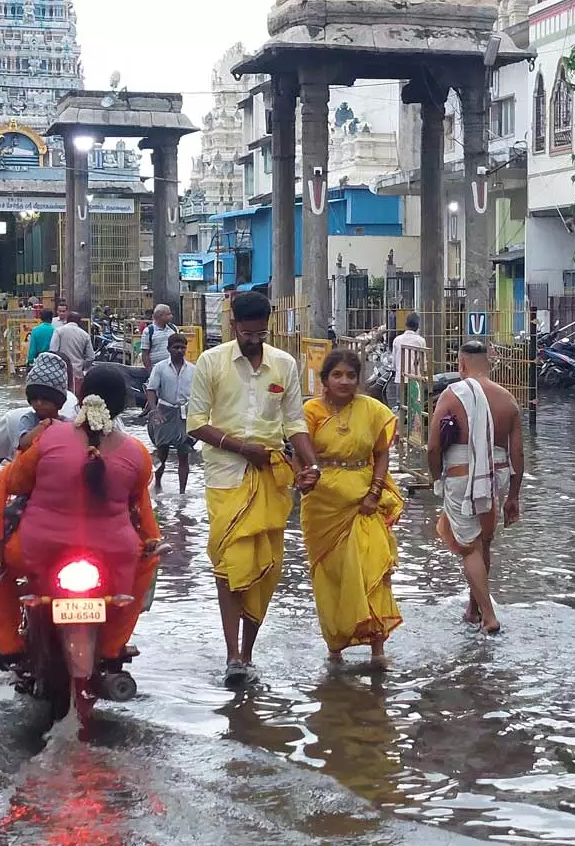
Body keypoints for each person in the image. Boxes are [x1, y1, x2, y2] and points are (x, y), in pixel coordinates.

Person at [0, 364, 162, 668]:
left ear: (80, 397)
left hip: (38, 551)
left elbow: (16, 482)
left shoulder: (49, 437)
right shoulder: (136, 452)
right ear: (122, 406)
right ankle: (114, 646)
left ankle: (6, 645)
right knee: (149, 557)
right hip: (114, 557)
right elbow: (138, 505)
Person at [188, 291, 320, 687]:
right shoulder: (211, 362)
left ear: (269, 326)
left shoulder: (284, 364)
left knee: (266, 568)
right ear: (233, 327)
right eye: (247, 334)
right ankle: (232, 656)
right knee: (229, 566)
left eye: (260, 333)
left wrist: (312, 464)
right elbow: (195, 423)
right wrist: (241, 447)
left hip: (271, 479)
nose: (253, 340)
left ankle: (248, 653)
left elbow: (295, 423)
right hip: (225, 476)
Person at [301, 349, 403, 666]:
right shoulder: (310, 411)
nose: (344, 381)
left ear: (359, 380)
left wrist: (374, 493)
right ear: (325, 380)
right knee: (330, 576)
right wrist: (299, 477)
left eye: (351, 375)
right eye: (337, 375)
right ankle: (335, 646)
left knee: (370, 567)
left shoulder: (371, 409)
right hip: (322, 505)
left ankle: (377, 649)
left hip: (362, 501)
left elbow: (382, 453)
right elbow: (297, 450)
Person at [428, 341, 524, 634]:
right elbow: (518, 455)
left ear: (461, 365)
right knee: (483, 544)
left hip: (461, 477)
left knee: (470, 548)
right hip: (493, 479)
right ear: (489, 363)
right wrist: (513, 497)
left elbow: (433, 447)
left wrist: (436, 478)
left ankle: (489, 615)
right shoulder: (508, 400)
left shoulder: (453, 394)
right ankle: (473, 608)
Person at [0, 352, 78, 486]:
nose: (39, 404)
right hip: (33, 481)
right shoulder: (29, 419)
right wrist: (44, 426)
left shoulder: (69, 423)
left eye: (45, 399)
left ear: (59, 403)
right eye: (34, 399)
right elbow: (23, 444)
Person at [144, 331, 196, 493]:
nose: (179, 350)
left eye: (182, 347)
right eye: (176, 347)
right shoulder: (160, 368)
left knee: (184, 453)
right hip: (164, 411)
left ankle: (182, 492)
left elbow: (198, 394)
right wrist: (154, 411)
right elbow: (151, 390)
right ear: (169, 349)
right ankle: (158, 483)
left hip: (184, 413)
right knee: (162, 452)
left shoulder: (193, 369)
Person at [389, 313, 427, 410]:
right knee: (414, 406)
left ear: (406, 325)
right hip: (414, 378)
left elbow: (393, 361)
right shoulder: (420, 341)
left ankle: (402, 423)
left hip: (400, 378)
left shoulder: (397, 340)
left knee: (401, 405)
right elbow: (423, 363)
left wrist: (395, 370)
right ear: (418, 326)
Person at [50, 309, 96, 377]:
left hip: (61, 372)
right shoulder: (85, 335)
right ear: (79, 322)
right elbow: (91, 357)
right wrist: (82, 366)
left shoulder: (58, 331)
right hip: (77, 372)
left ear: (67, 320)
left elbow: (53, 351)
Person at [140, 303, 179, 371]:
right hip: (156, 370)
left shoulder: (173, 329)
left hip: (173, 369)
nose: (171, 316)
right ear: (161, 316)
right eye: (168, 314)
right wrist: (150, 371)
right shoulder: (148, 331)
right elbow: (145, 354)